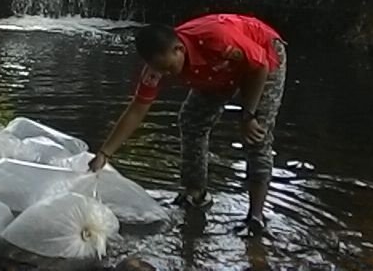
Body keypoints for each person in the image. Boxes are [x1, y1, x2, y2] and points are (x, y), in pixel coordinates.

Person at [88, 13, 287, 235]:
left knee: (256, 134)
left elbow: (259, 66)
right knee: (192, 121)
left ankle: (256, 218)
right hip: (217, 72)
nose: (163, 74)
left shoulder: (217, 39)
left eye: (168, 69)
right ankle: (196, 194)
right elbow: (137, 110)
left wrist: (248, 115)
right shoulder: (155, 69)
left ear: (178, 50)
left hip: (262, 59)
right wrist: (104, 154)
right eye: (158, 69)